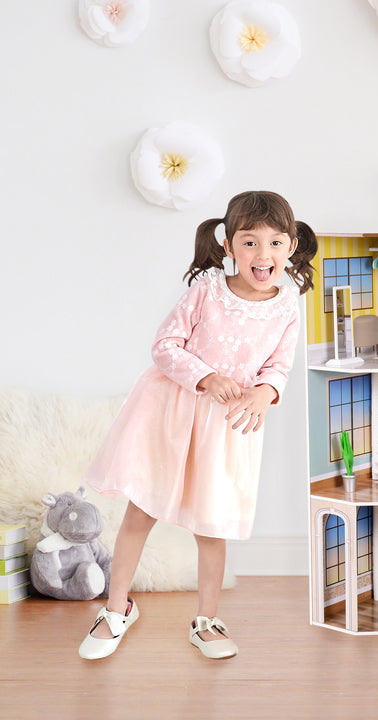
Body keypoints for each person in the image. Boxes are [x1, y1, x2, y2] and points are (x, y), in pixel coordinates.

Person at [78, 191, 317, 660]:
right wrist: (207, 377)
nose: (261, 255)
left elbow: (280, 368)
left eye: (273, 243)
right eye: (249, 243)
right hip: (172, 412)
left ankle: (206, 620)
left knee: (212, 527)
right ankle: (115, 608)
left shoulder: (288, 306)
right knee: (141, 510)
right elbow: (165, 346)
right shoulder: (207, 289)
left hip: (227, 427)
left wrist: (263, 394)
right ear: (228, 246)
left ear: (290, 247)